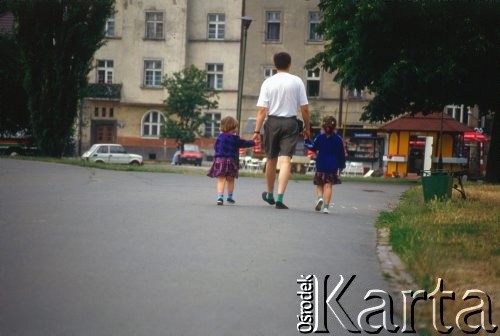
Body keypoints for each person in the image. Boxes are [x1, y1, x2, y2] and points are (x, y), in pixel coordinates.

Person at [253, 52, 310, 209]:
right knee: (286, 160)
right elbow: (304, 109)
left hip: (272, 122)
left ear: (274, 64)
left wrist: (256, 132)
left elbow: (262, 111)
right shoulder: (297, 81)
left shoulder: (268, 82)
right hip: (291, 123)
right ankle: (279, 198)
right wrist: (307, 127)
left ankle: (270, 194)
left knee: (271, 159)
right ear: (289, 64)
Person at [207, 116, 255, 205]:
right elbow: (244, 143)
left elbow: (215, 147)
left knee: (221, 179)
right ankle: (230, 197)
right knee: (230, 179)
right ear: (233, 127)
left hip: (220, 160)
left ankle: (220, 197)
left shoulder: (220, 137)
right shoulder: (235, 138)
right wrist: (253, 142)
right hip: (231, 161)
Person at [304, 116, 346, 214]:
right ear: (334, 126)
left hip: (321, 163)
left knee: (319, 184)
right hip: (333, 165)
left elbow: (312, 147)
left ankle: (319, 198)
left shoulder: (320, 137)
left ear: (323, 126)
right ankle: (326, 207)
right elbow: (341, 154)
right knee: (328, 186)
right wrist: (341, 166)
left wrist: (306, 140)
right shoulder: (338, 139)